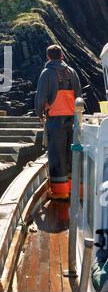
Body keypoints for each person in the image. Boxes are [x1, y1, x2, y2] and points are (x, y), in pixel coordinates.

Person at [35, 44, 82, 200]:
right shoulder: (72, 72)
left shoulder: (46, 73)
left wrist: (39, 113)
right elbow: (79, 97)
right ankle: (75, 190)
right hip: (73, 120)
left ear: (48, 57)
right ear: (62, 55)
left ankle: (60, 192)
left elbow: (41, 98)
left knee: (57, 155)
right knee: (71, 155)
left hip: (55, 121)